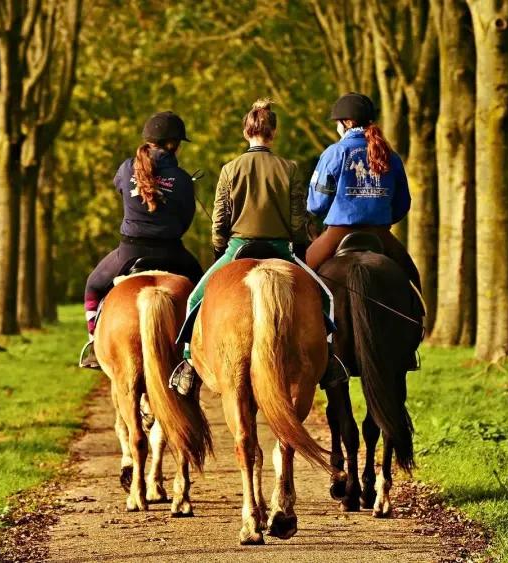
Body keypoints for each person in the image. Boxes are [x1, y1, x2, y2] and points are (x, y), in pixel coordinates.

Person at [170, 99, 339, 391]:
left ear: (246, 132)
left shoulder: (230, 168)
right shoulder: (290, 168)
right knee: (325, 299)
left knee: (195, 299)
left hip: (238, 247)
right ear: (272, 133)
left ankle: (187, 363)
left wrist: (219, 249)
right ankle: (329, 359)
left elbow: (220, 218)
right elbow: (298, 219)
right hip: (280, 249)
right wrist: (298, 250)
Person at [80, 111, 204, 369]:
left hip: (129, 251)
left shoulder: (127, 168)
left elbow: (119, 188)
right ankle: (197, 349)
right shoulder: (181, 178)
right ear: (173, 144)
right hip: (172, 252)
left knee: (93, 286)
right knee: (203, 290)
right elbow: (186, 220)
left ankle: (93, 343)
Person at [305, 93, 421, 290]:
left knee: (302, 277)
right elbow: (402, 204)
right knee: (413, 281)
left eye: (338, 122)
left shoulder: (334, 152)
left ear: (348, 123)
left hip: (338, 232)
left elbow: (317, 203)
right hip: (380, 232)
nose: (337, 127)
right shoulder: (391, 156)